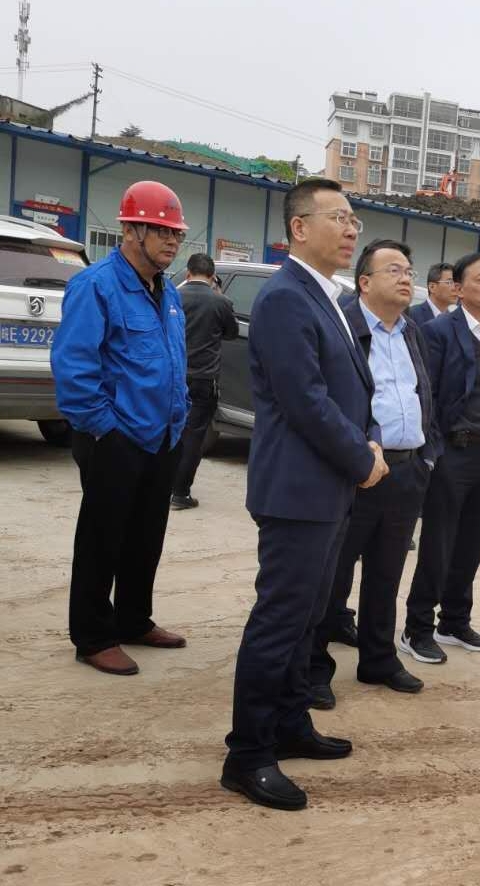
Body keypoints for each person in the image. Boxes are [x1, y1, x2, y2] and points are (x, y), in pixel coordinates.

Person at [222, 179, 388, 812]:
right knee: (279, 621)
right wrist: (362, 458)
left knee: (308, 618)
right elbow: (305, 401)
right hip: (297, 490)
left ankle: (290, 722)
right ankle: (247, 754)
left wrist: (368, 444)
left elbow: (354, 390)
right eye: (338, 217)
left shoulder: (327, 295)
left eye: (353, 219)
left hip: (327, 487)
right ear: (299, 228)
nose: (350, 229)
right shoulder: (285, 298)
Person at [50, 181, 190, 677]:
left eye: (176, 234)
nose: (171, 241)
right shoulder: (96, 286)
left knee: (145, 537)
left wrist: (180, 414)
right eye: (161, 231)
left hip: (163, 436)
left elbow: (173, 359)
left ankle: (133, 620)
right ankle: (92, 636)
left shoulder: (167, 291)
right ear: (130, 230)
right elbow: (74, 368)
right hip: (114, 437)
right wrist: (105, 429)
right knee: (102, 538)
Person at [309, 239, 439, 707]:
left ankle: (378, 659)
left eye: (409, 271)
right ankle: (313, 667)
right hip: (358, 471)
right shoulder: (343, 327)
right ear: (364, 282)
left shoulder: (411, 331)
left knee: (386, 573)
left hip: (407, 470)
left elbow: (423, 392)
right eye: (394, 270)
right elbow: (328, 399)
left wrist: (427, 454)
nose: (406, 278)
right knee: (334, 575)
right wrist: (355, 458)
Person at [399, 253, 480, 665]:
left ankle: (454, 621)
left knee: (471, 545)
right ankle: (417, 628)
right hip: (453, 453)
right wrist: (433, 452)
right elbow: (425, 395)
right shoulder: (438, 332)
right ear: (459, 287)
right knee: (438, 544)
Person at [171, 253, 239, 510]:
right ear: (212, 277)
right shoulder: (220, 301)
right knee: (194, 435)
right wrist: (219, 294)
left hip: (174, 376)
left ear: (188, 273)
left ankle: (162, 484)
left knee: (170, 431)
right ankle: (180, 493)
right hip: (204, 379)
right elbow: (232, 333)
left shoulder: (174, 296)